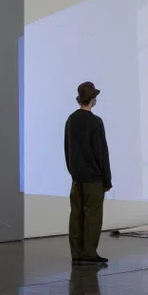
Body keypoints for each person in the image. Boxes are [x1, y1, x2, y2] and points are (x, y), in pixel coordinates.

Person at [65, 81, 112, 264]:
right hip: (93, 179)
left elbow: (67, 149)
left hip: (77, 178)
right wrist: (107, 181)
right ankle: (89, 252)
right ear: (93, 99)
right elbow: (102, 153)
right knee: (93, 216)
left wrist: (73, 172)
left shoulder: (71, 120)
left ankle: (76, 254)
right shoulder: (95, 122)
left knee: (76, 214)